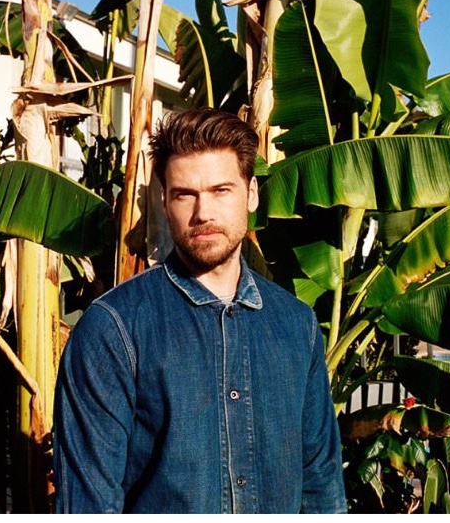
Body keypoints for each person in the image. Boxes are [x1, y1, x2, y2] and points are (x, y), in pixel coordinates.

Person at [52, 108, 346, 514]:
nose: (203, 213)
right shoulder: (114, 329)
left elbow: (322, 486)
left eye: (221, 190)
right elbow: (89, 505)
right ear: (163, 201)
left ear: (251, 193)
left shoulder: (296, 325)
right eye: (185, 194)